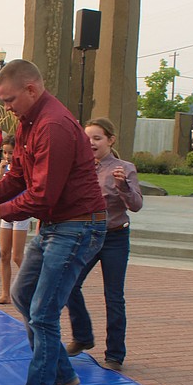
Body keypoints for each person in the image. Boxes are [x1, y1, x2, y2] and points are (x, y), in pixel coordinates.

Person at [0, 59, 106, 385]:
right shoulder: (30, 122)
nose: (7, 108)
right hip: (59, 224)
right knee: (23, 294)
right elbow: (17, 175)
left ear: (32, 89)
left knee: (43, 315)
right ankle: (62, 372)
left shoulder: (53, 126)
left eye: (10, 100)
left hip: (78, 226)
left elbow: (43, 195)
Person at [64, 118, 143, 369]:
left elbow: (136, 205)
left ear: (110, 140)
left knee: (114, 296)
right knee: (69, 284)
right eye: (87, 139)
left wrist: (122, 187)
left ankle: (115, 355)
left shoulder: (124, 168)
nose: (91, 143)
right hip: (87, 235)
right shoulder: (79, 167)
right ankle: (83, 336)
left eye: (97, 138)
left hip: (115, 237)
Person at [0, 136, 31, 306]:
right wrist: (0, 173)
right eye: (5, 152)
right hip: (6, 212)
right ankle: (5, 294)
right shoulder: (6, 168)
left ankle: (34, 287)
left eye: (11, 153)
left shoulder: (23, 169)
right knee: (4, 254)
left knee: (17, 256)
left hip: (20, 212)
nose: (7, 156)